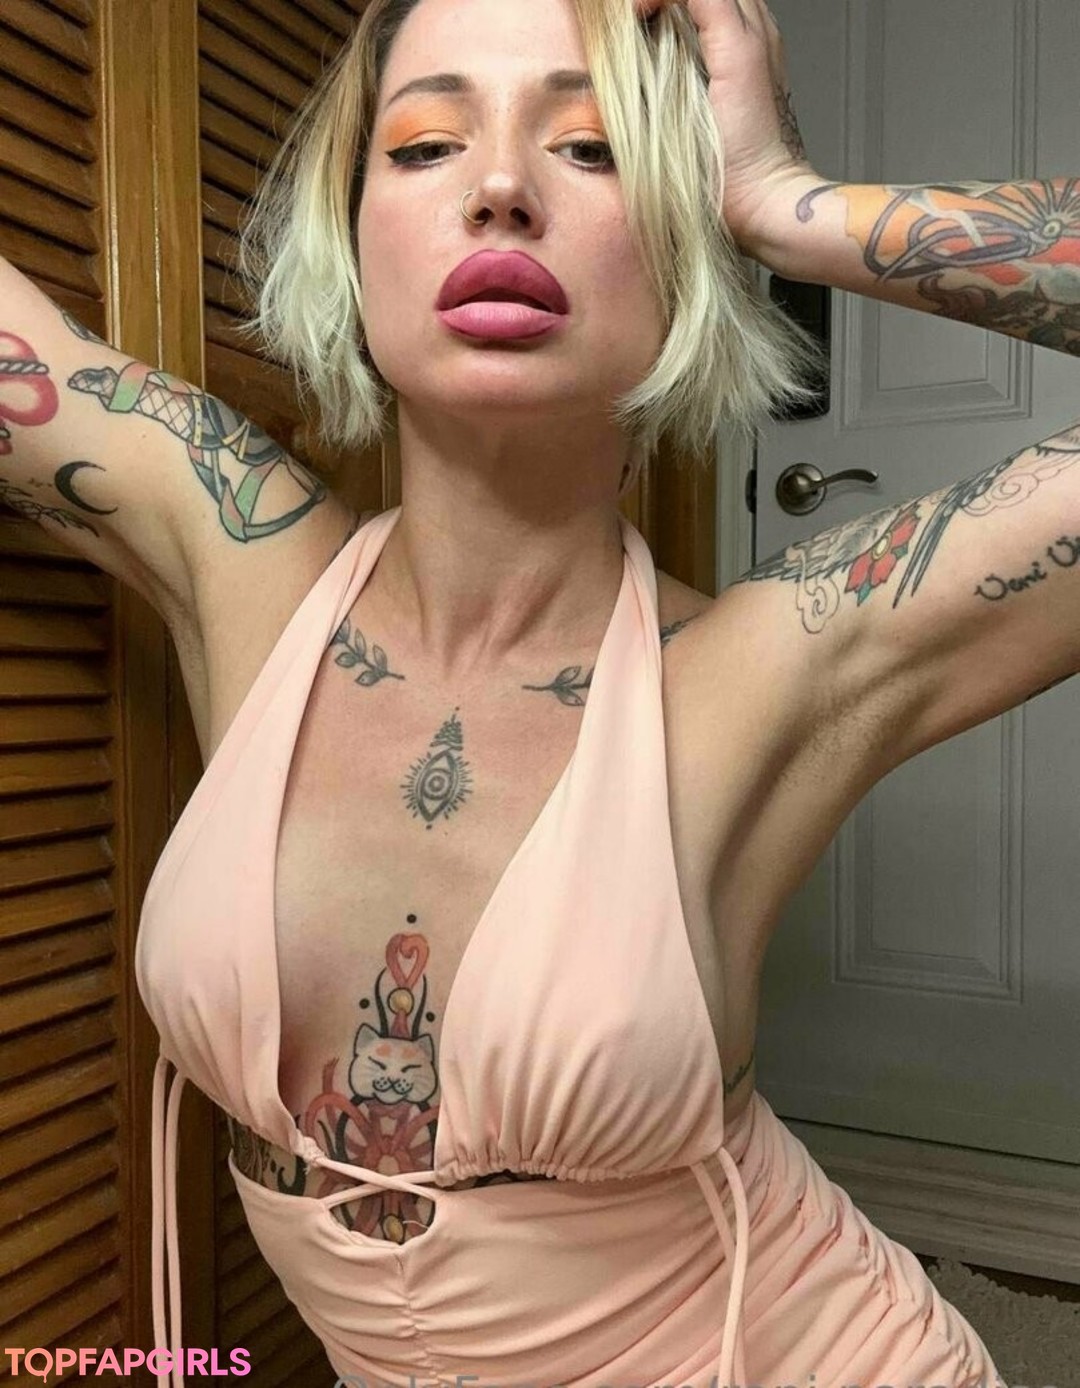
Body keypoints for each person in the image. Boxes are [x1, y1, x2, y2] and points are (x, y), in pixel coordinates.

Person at [2, 0, 1076, 1384]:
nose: (500, 184)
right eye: (424, 143)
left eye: (591, 146)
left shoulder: (780, 665)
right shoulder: (232, 546)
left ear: (683, 243)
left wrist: (784, 205)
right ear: (351, 234)